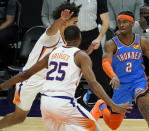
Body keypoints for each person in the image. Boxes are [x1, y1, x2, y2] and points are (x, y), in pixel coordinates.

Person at [0, 25, 132, 131]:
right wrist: (113, 105)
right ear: (79, 38)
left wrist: (2, 86)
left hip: (45, 103)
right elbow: (93, 84)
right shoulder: (81, 57)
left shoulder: (53, 53)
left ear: (65, 37)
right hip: (64, 104)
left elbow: (25, 74)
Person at [0, 1, 82, 129]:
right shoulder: (51, 35)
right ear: (65, 22)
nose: (77, 26)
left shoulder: (69, 40)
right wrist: (61, 19)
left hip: (50, 82)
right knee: (19, 117)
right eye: (75, 22)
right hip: (30, 78)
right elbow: (52, 29)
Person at [90, 11, 149, 131]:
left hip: (138, 82)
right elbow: (105, 63)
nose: (122, 25)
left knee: (147, 113)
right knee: (113, 125)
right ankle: (102, 105)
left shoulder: (142, 41)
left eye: (125, 22)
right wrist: (113, 75)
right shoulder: (111, 44)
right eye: (119, 22)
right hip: (121, 85)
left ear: (132, 23)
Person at [0, 0, 18, 69]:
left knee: (1, 37)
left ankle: (5, 65)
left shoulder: (10, 1)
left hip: (7, 27)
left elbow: (9, 21)